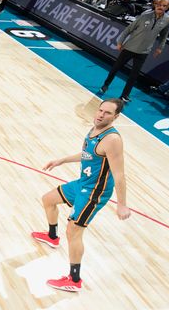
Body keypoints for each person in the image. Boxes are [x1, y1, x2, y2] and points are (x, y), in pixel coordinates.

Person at [30, 99, 131, 292]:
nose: (101, 114)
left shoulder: (112, 140)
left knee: (73, 231)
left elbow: (119, 174)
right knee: (48, 200)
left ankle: (74, 280)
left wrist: (122, 204)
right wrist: (62, 160)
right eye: (100, 110)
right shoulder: (94, 130)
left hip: (95, 192)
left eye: (107, 113)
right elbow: (88, 154)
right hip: (83, 184)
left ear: (116, 117)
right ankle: (52, 237)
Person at [98, 0, 169, 102]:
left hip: (144, 51)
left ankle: (125, 95)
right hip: (129, 48)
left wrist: (160, 47)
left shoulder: (167, 20)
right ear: (155, 5)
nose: (161, 7)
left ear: (167, 8)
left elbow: (164, 35)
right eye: (159, 4)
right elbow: (129, 28)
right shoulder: (145, 15)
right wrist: (120, 42)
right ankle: (105, 85)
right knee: (116, 68)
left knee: (134, 75)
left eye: (164, 6)